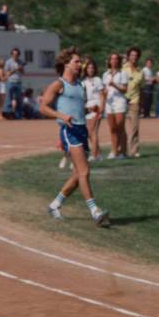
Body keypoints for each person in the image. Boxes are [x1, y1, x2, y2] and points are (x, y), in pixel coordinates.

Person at [40, 46, 110, 226]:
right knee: (85, 171)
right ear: (66, 64)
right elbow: (43, 107)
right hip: (68, 130)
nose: (81, 65)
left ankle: (55, 205)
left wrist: (90, 109)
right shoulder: (58, 84)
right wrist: (62, 116)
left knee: (77, 176)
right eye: (76, 62)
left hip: (81, 129)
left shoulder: (80, 85)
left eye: (80, 62)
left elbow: (78, 106)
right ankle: (95, 212)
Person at [103, 53, 129, 159]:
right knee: (112, 129)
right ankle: (114, 151)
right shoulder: (105, 74)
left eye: (116, 59)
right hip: (109, 103)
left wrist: (115, 85)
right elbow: (104, 90)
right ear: (109, 61)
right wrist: (103, 93)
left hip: (119, 102)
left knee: (120, 128)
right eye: (112, 59)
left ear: (118, 61)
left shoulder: (123, 73)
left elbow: (125, 89)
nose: (114, 61)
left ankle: (123, 152)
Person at [83, 60, 106, 162]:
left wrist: (101, 110)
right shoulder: (83, 82)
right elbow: (83, 98)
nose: (90, 70)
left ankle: (93, 155)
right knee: (89, 133)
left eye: (92, 68)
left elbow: (102, 96)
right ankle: (99, 154)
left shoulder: (98, 80)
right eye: (88, 68)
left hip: (96, 107)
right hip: (88, 108)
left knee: (93, 132)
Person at [123, 47, 143, 157]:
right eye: (132, 55)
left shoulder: (140, 72)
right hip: (123, 100)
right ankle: (122, 150)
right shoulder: (123, 69)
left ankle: (134, 150)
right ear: (128, 56)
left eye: (136, 55)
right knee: (122, 127)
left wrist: (142, 102)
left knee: (135, 127)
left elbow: (140, 88)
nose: (134, 57)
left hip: (135, 101)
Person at [5, 47, 25, 119]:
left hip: (18, 82)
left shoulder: (20, 62)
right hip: (10, 82)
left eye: (17, 54)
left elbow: (23, 73)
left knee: (19, 100)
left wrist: (21, 69)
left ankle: (18, 116)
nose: (15, 56)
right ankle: (8, 114)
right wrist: (15, 69)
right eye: (14, 54)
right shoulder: (8, 62)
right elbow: (7, 73)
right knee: (9, 99)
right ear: (11, 54)